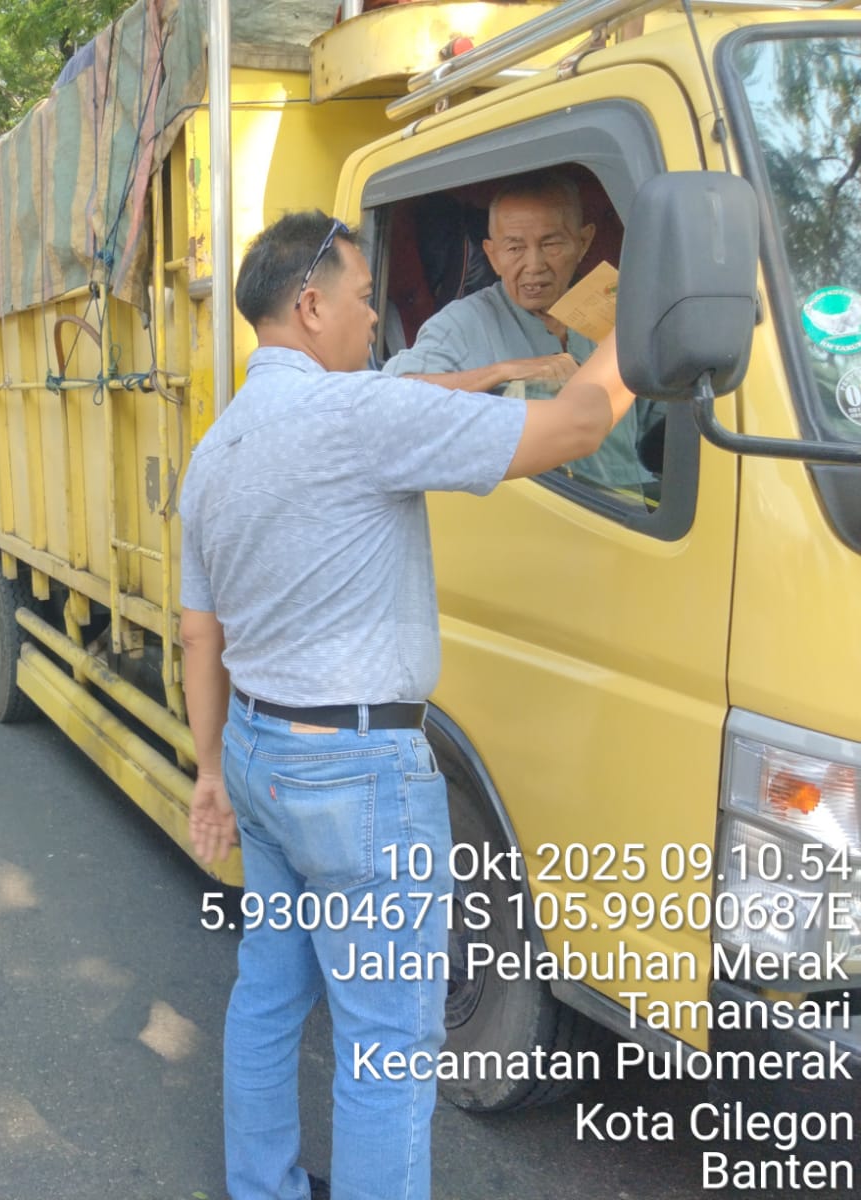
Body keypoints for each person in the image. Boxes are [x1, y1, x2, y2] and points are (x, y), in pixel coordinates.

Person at [178, 211, 635, 1200]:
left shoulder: (216, 449)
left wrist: (211, 769)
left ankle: (262, 1186)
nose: (372, 318)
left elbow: (197, 636)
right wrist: (646, 319)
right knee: (387, 1044)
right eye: (360, 300)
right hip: (357, 779)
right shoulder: (358, 418)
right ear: (310, 305)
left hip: (257, 751)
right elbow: (578, 427)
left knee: (269, 996)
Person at [383, 172, 658, 492]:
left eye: (551, 244)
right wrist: (505, 371)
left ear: (583, 243)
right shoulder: (463, 324)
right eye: (514, 248)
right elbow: (393, 399)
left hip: (629, 509)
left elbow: (658, 419)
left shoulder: (617, 314)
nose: (534, 264)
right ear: (492, 255)